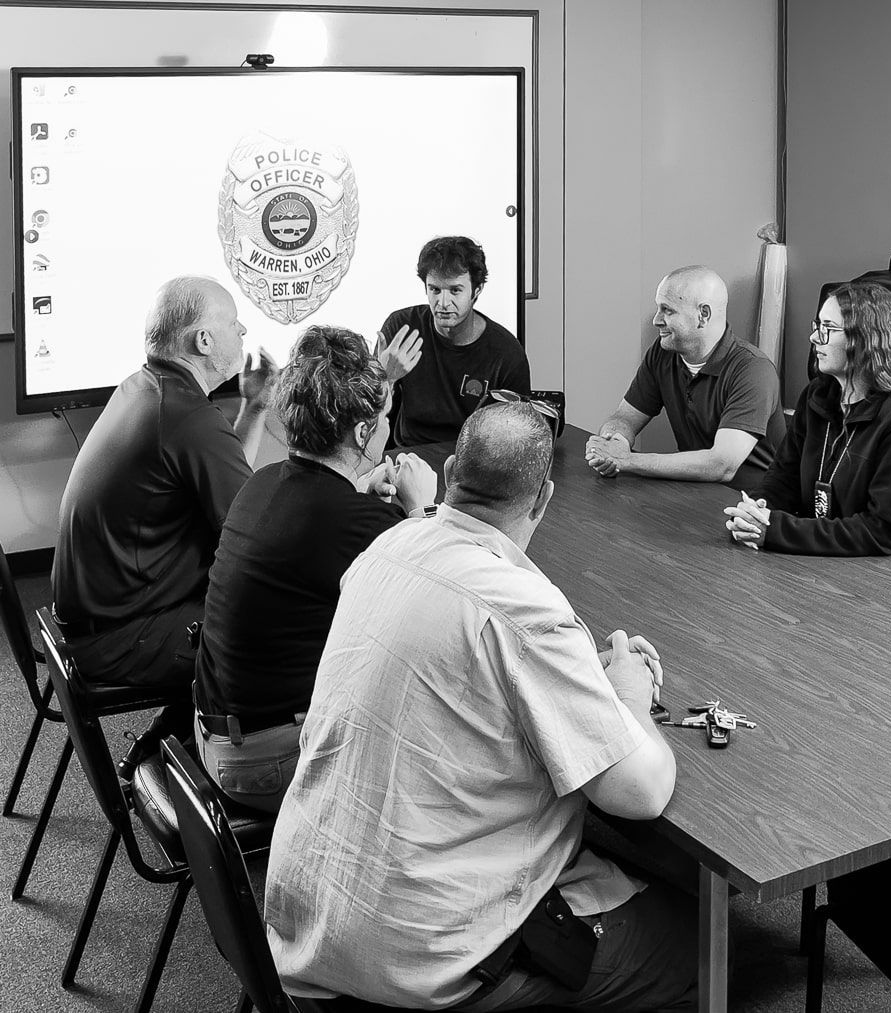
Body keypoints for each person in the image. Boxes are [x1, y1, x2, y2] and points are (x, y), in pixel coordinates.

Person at [264, 401, 698, 1012]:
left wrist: (571, 687)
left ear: (449, 475)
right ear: (543, 499)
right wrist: (625, 697)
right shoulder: (525, 610)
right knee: (707, 951)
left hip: (311, 923)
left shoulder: (381, 553)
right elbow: (640, 794)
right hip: (423, 959)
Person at [192, 325, 438, 813]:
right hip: (267, 762)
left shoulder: (262, 483)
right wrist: (423, 511)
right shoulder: (354, 522)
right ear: (366, 432)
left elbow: (322, 524)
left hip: (213, 734)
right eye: (385, 419)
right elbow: (442, 598)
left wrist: (363, 494)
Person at [51, 275, 276, 700]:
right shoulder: (188, 417)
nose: (243, 331)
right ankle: (195, 757)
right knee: (288, 636)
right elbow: (252, 532)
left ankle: (166, 746)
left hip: (97, 619)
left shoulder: (145, 388)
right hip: (123, 639)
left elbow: (230, 487)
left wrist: (256, 405)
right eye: (234, 323)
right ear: (204, 341)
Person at [723, 280, 891, 573]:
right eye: (817, 325)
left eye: (828, 329)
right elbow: (782, 480)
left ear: (863, 340)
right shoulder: (817, 397)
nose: (814, 337)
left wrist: (776, 531)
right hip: (845, 562)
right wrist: (755, 512)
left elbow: (886, 531)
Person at [585, 266, 786, 490]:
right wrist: (614, 441)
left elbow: (722, 465)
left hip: (752, 504)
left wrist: (627, 460)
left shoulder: (753, 369)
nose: (656, 320)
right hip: (694, 491)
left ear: (704, 315)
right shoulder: (662, 353)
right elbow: (625, 417)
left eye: (667, 310)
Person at [377, 235, 531, 445]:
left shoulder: (506, 353)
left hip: (472, 462)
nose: (443, 302)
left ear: (476, 291)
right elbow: (362, 415)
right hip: (406, 458)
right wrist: (386, 379)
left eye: (455, 290)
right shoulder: (402, 328)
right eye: (435, 290)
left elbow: (518, 435)